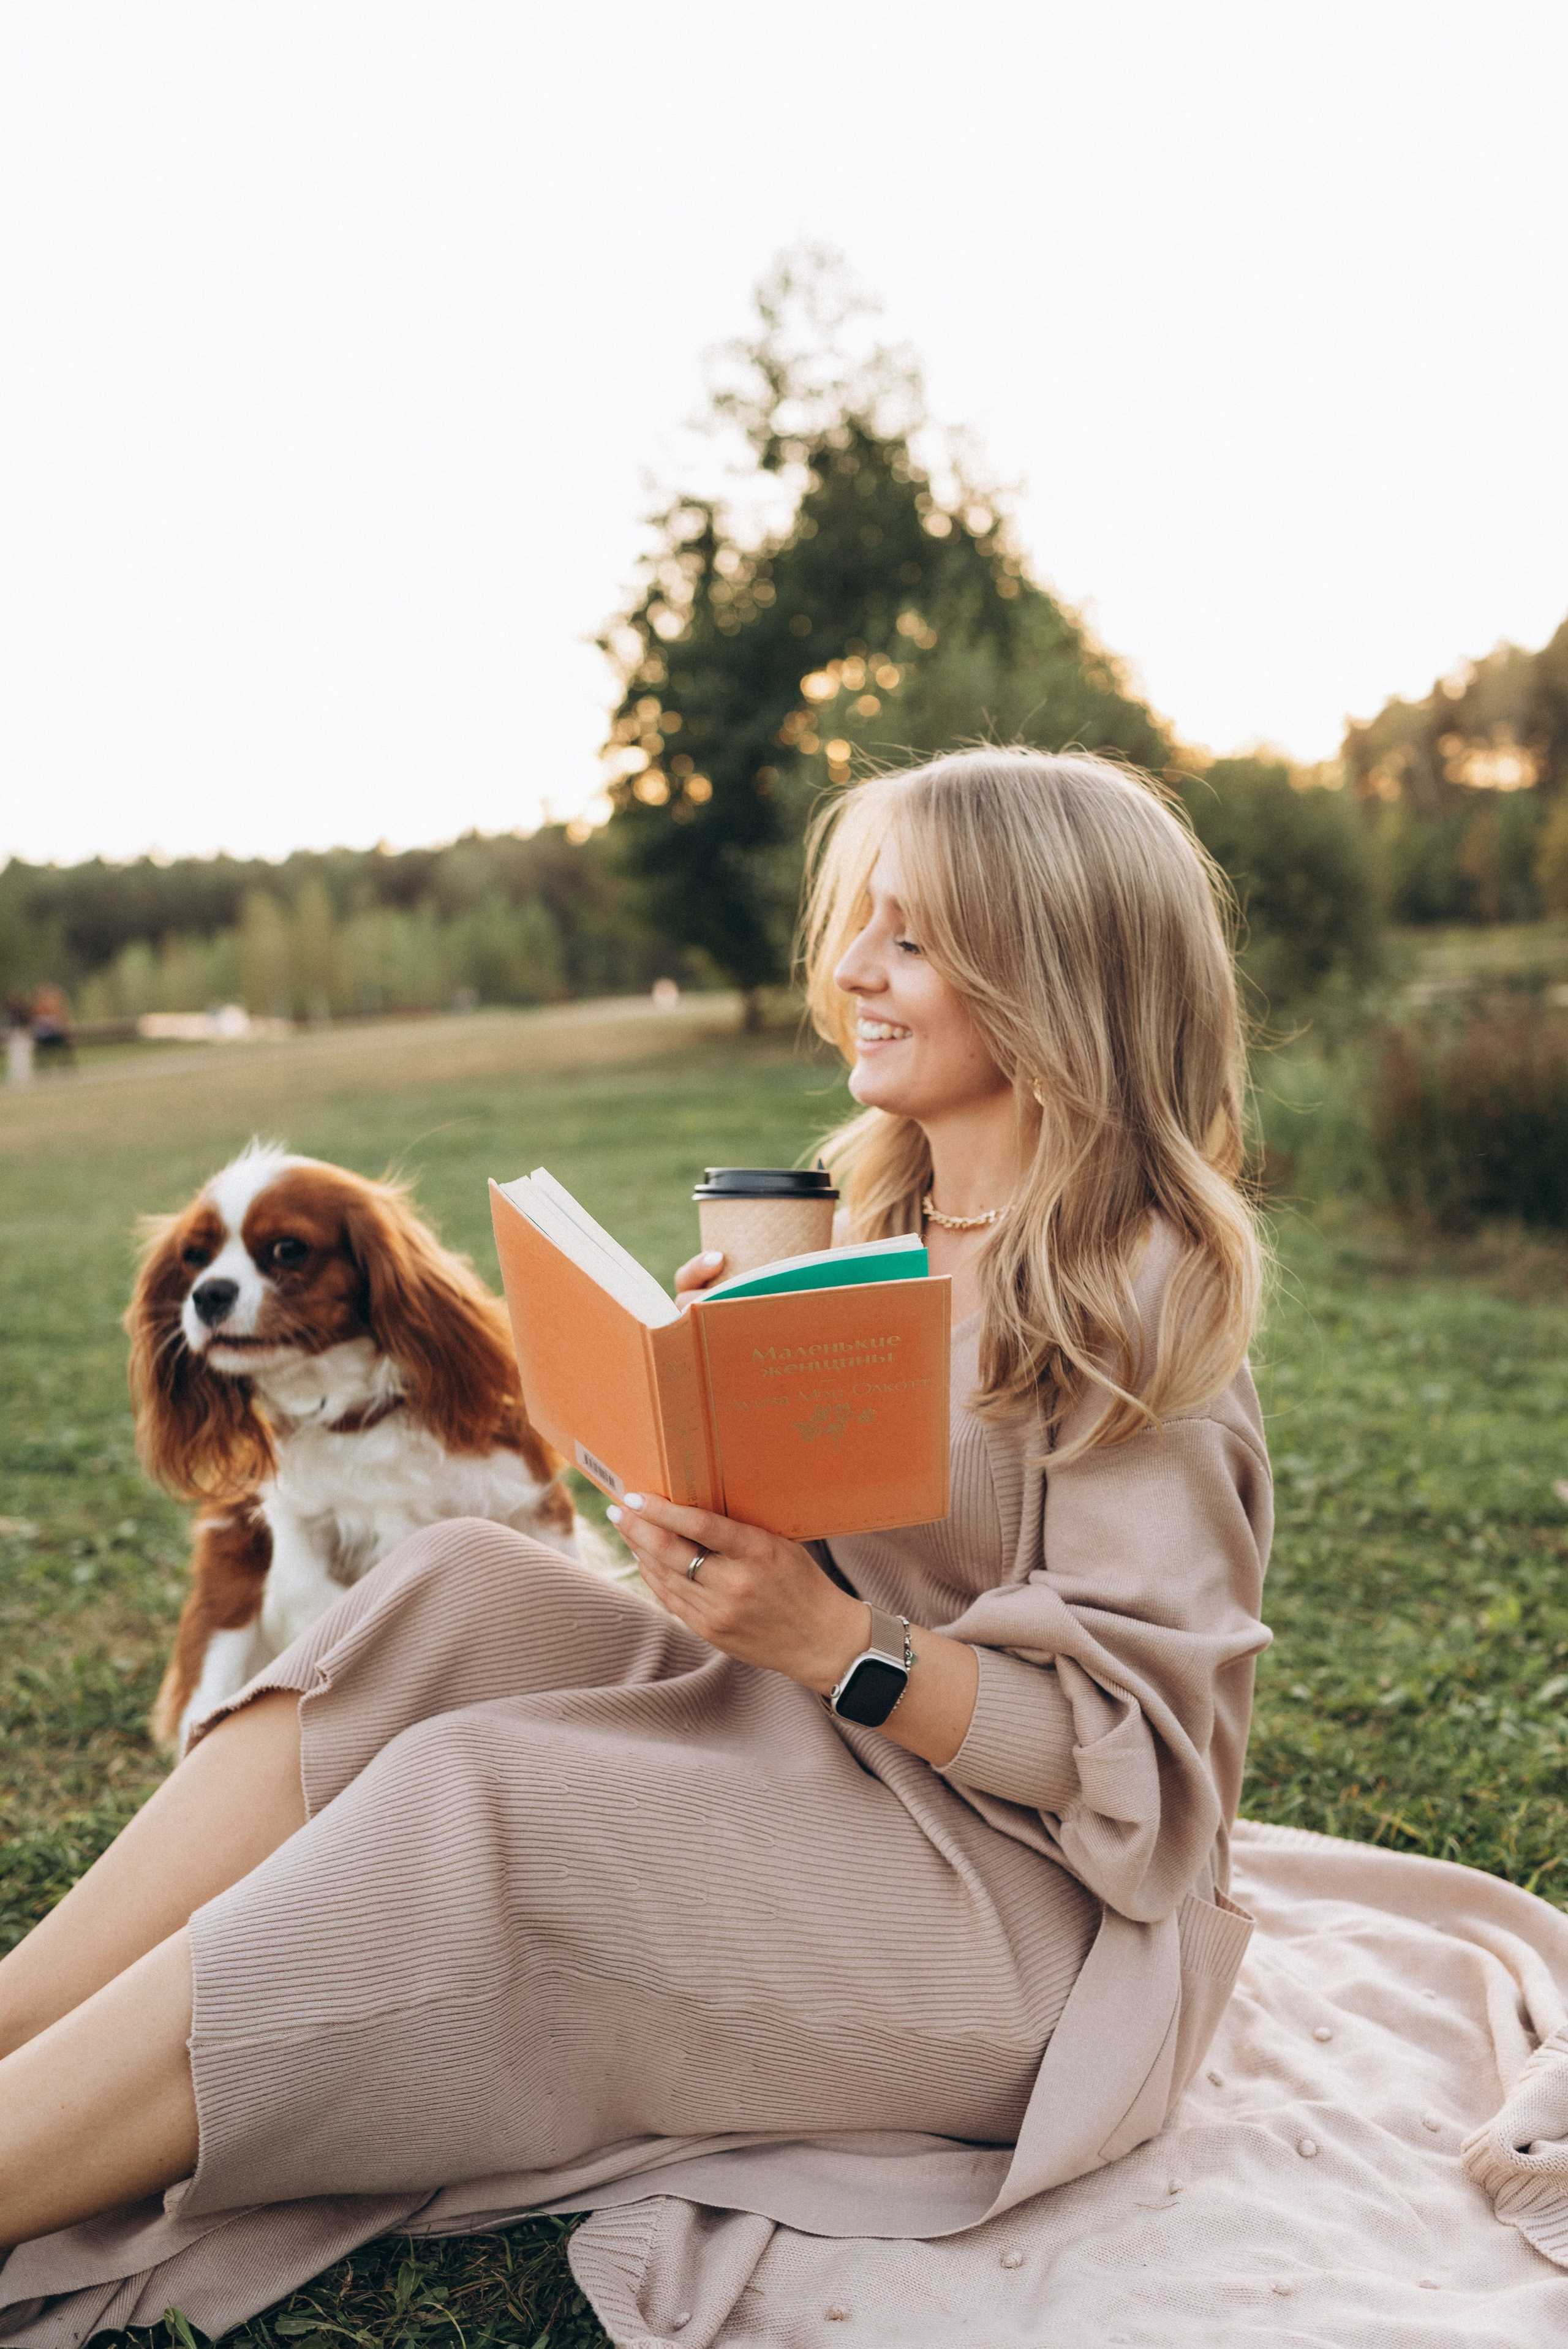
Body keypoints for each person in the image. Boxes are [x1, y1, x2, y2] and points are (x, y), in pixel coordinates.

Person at [0, 750, 1271, 2315]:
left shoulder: (1137, 1305)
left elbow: (1148, 1779)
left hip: (1032, 1938)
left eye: (912, 938)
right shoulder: (870, 1233)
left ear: (1054, 976)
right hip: (838, 1763)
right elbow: (841, 1562)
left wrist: (830, 1641)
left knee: (492, 1794)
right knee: (457, 1581)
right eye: (855, 924)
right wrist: (710, 1441)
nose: (848, 970)